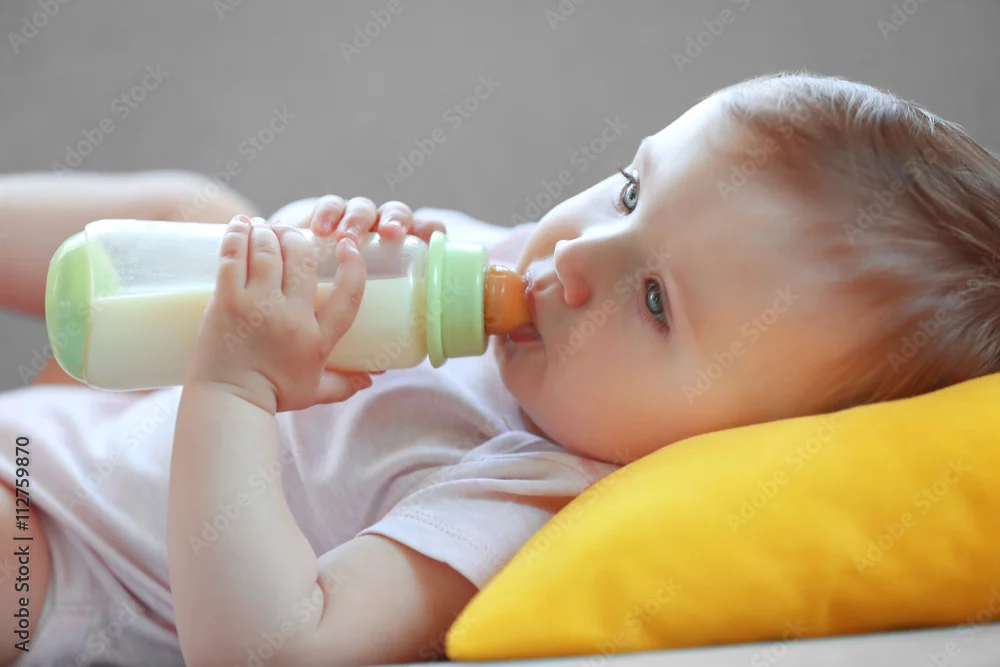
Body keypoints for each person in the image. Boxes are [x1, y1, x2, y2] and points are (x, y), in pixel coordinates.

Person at [2, 71, 999, 666]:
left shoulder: (521, 494)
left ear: (730, 448)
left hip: (59, 544)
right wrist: (316, 250)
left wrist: (237, 385)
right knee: (201, 216)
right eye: (629, 192)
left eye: (656, 300)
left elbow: (280, 644)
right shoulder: (527, 281)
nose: (577, 256)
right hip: (89, 408)